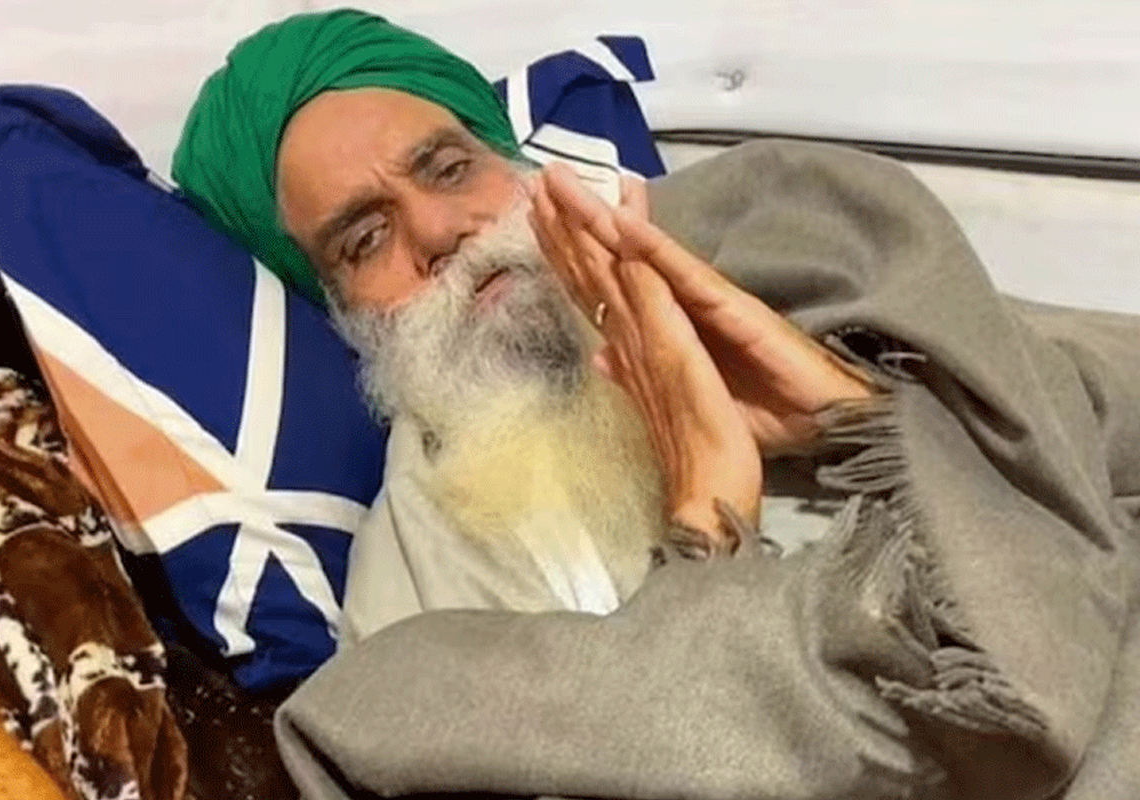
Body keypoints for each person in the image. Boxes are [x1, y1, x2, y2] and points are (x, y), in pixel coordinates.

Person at [172, 9, 1140, 800]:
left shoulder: (768, 257)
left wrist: (871, 417)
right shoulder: (412, 596)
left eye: (449, 167)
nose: (439, 230)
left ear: (514, 165)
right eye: (364, 239)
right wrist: (706, 526)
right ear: (337, 313)